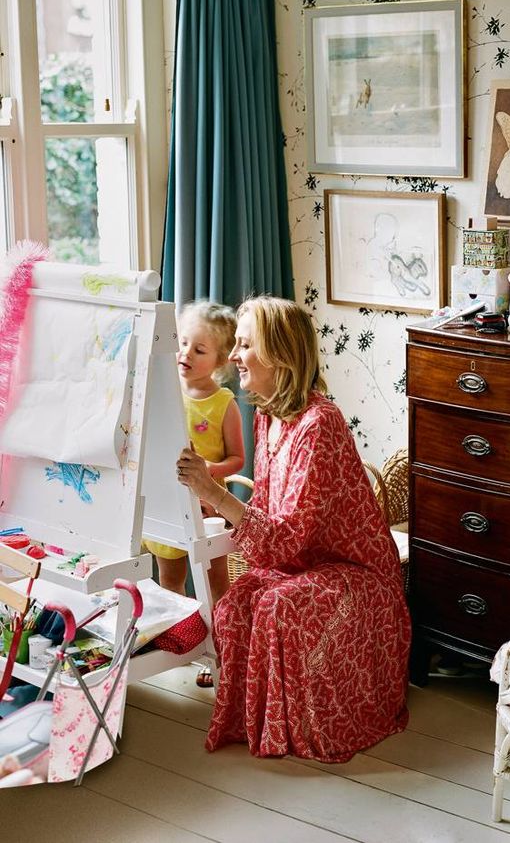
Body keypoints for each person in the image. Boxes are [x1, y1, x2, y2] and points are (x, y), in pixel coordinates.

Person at [175, 296, 410, 762]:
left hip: (357, 576)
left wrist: (218, 494)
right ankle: (254, 723)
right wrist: (208, 497)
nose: (235, 356)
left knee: (278, 606)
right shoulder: (267, 417)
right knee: (238, 601)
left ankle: (291, 732)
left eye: (245, 345)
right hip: (301, 566)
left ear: (279, 355)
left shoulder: (319, 424)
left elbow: (285, 537)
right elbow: (266, 515)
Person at [145, 300, 245, 609]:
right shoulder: (164, 390)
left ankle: (222, 641)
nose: (186, 353)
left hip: (209, 507)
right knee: (171, 580)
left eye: (199, 350)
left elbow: (237, 459)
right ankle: (183, 638)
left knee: (216, 581)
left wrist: (209, 470)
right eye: (183, 343)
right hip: (168, 503)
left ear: (220, 361)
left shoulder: (224, 403)